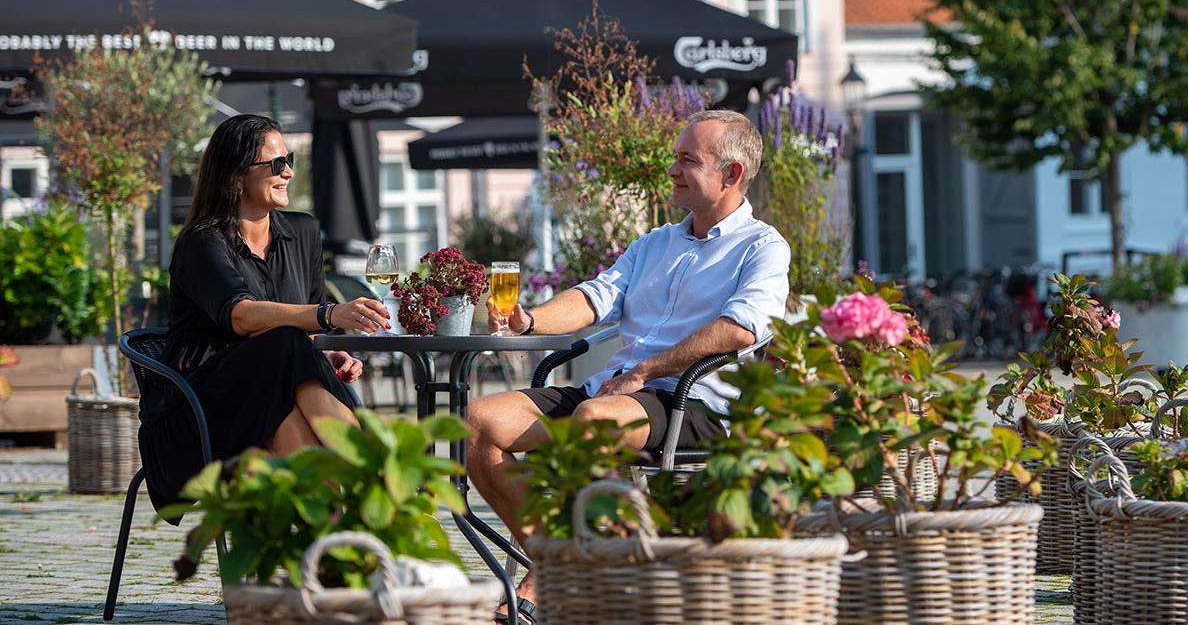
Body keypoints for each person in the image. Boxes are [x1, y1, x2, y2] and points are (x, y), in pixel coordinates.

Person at [466, 110, 790, 620]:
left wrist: (646, 370)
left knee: (593, 421)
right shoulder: (654, 243)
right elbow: (596, 297)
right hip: (615, 391)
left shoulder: (763, 247)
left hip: (690, 402)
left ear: (732, 174)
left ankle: (541, 582)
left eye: (688, 160)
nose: (673, 171)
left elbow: (742, 328)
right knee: (481, 421)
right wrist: (529, 321)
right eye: (675, 158)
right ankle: (556, 558)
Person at [138, 114, 391, 514]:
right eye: (276, 164)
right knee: (286, 347)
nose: (288, 171)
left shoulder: (303, 233)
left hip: (270, 400)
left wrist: (323, 357)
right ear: (237, 176)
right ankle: (378, 476)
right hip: (201, 419)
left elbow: (300, 337)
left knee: (285, 390)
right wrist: (328, 314)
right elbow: (241, 317)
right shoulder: (201, 242)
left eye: (288, 160)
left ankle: (336, 536)